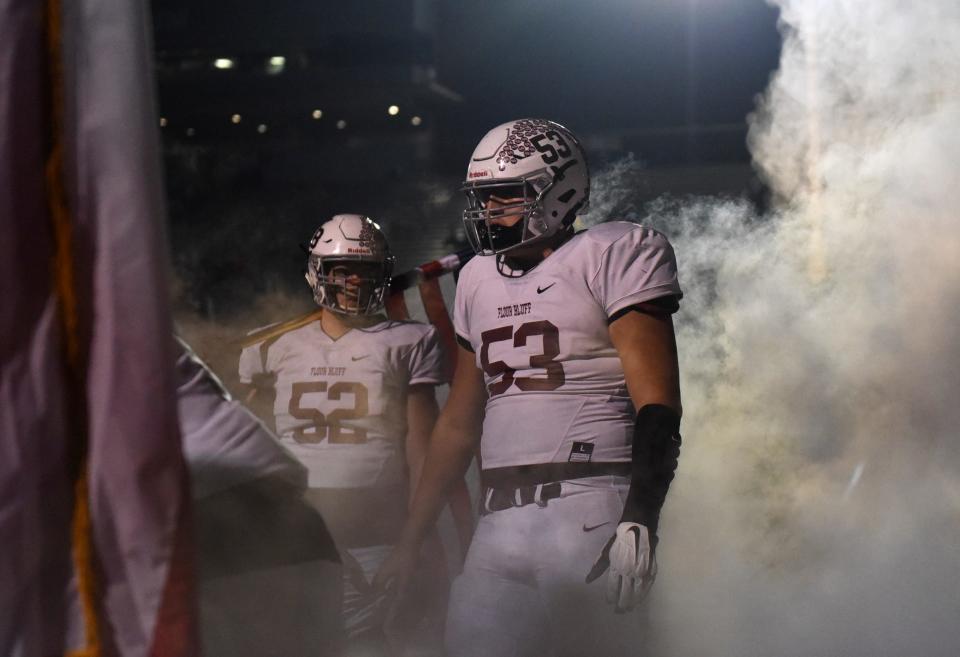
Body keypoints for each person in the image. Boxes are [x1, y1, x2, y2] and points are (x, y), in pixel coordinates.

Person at [374, 119, 683, 657]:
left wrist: (641, 515)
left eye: (505, 197)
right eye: (483, 199)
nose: (489, 212)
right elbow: (457, 424)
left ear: (559, 191)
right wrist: (412, 538)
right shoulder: (475, 278)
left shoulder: (613, 251)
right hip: (498, 524)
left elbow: (657, 403)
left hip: (590, 506)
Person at [238, 214, 446, 654]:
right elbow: (247, 444)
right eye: (342, 270)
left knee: (365, 645)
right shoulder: (270, 343)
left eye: (365, 271)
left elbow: (422, 448)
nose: (353, 281)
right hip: (296, 533)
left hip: (375, 526)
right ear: (318, 272)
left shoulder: (409, 339)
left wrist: (413, 542)